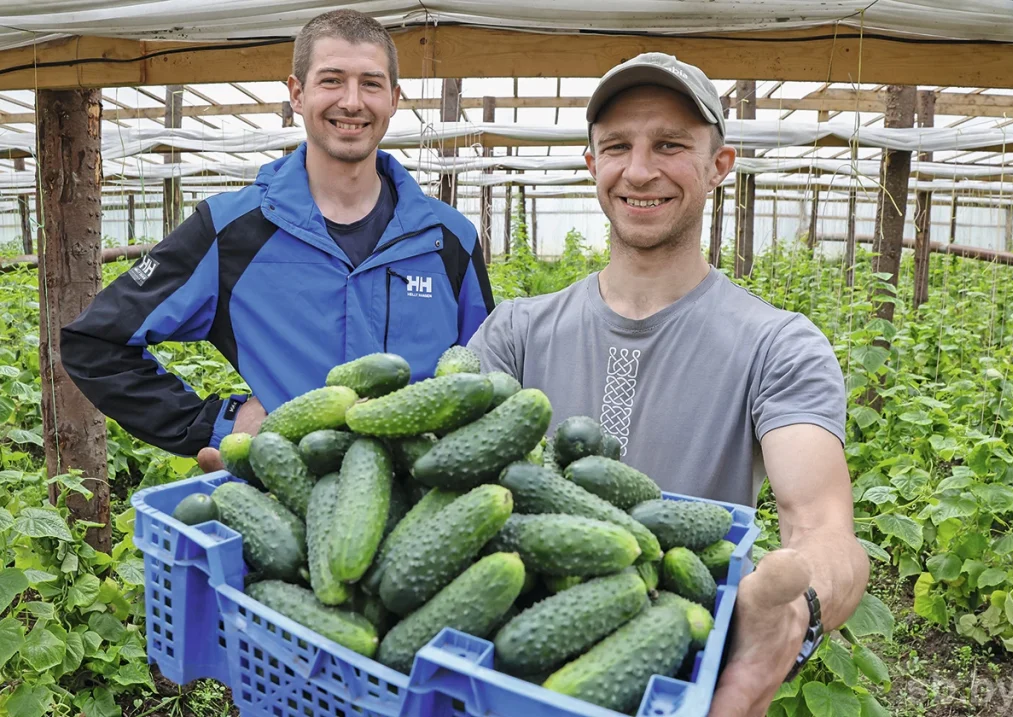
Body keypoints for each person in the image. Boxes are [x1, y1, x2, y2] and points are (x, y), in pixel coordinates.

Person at [466, 53, 869, 716]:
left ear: (720, 164)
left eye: (671, 145)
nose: (641, 169)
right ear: (592, 164)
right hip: (510, 666)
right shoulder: (515, 332)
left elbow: (822, 523)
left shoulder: (778, 344)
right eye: (618, 146)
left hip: (676, 674)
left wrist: (798, 604)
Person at [61, 9, 494, 472]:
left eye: (371, 83)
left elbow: (484, 375)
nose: (352, 101)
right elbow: (94, 343)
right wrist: (219, 421)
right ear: (297, 93)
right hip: (282, 504)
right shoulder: (232, 230)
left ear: (394, 99)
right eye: (331, 80)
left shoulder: (449, 240)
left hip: (425, 506)